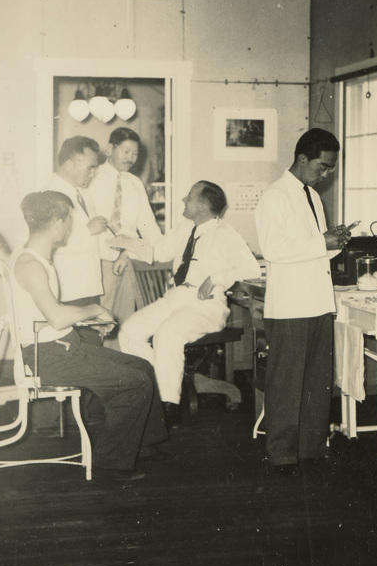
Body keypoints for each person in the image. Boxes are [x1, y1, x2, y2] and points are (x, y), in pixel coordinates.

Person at [12, 190, 169, 482]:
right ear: (57, 222)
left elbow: (48, 315)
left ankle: (143, 444)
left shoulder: (34, 258)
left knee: (141, 367)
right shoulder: (31, 265)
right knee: (134, 384)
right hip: (48, 356)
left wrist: (91, 321)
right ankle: (110, 462)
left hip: (61, 346)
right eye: (69, 220)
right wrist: (96, 308)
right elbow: (56, 316)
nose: (70, 227)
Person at [119, 180, 261, 428]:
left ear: (203, 205)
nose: (184, 200)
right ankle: (163, 383)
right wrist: (126, 242)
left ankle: (168, 407)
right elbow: (158, 252)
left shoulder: (225, 234)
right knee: (129, 332)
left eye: (189, 197)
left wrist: (216, 278)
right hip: (175, 298)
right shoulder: (185, 227)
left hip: (205, 306)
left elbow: (250, 267)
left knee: (167, 334)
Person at [254, 128, 352, 475]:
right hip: (291, 306)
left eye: (330, 169)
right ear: (302, 159)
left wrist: (335, 241)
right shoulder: (275, 196)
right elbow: (274, 250)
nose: (326, 174)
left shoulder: (311, 196)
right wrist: (320, 241)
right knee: (286, 382)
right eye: (323, 167)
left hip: (317, 302)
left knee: (316, 382)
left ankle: (312, 448)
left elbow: (314, 251)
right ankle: (281, 454)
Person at [88, 127, 163, 333]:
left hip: (129, 259)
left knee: (123, 323)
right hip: (99, 259)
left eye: (136, 153)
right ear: (111, 148)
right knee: (98, 323)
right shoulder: (92, 177)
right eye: (126, 151)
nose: (131, 158)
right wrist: (117, 250)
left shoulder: (135, 183)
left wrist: (161, 253)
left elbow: (148, 226)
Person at [44, 136, 108, 323]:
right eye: (90, 167)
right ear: (71, 165)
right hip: (68, 288)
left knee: (93, 343)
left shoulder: (82, 194)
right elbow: (48, 242)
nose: (94, 173)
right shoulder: (50, 195)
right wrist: (88, 230)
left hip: (89, 285)